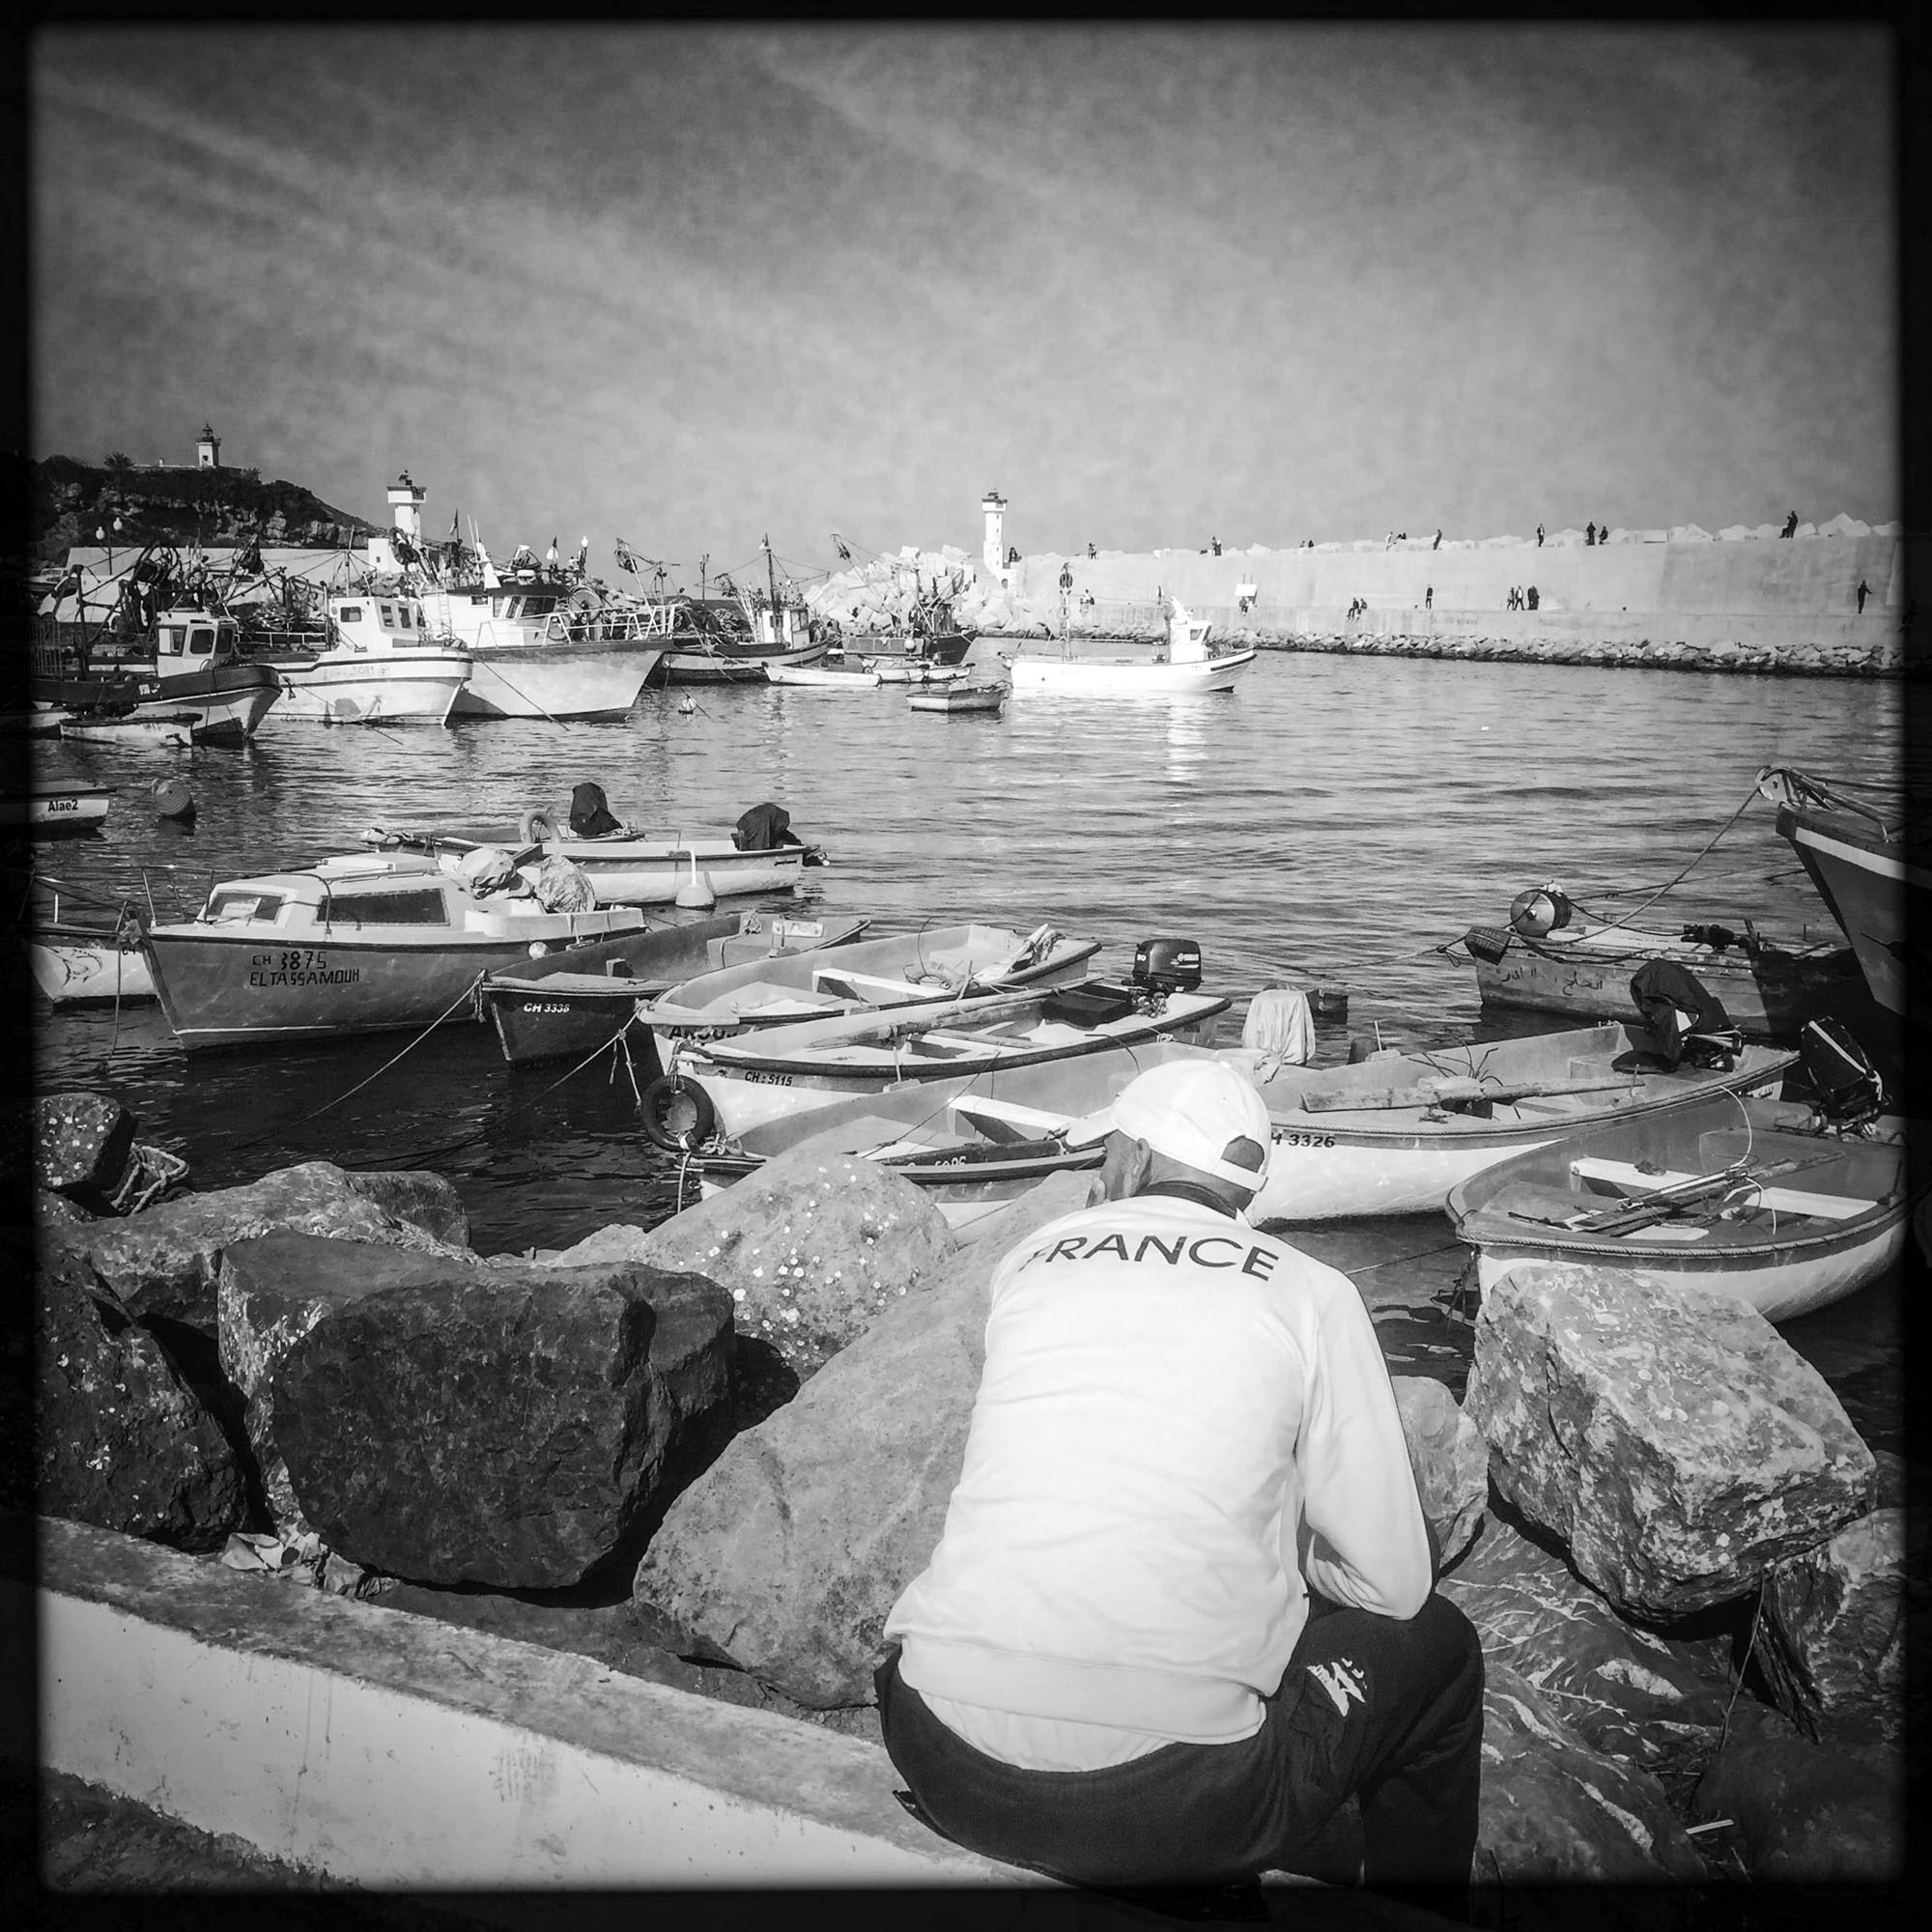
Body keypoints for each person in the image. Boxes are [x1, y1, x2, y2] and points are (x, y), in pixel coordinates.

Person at [878, 1061, 1485, 1910]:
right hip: (1167, 1808)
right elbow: (1395, 1582)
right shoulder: (1312, 1292)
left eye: (1106, 1158)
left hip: (935, 1747)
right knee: (1440, 1648)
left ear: (1129, 1161)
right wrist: (1293, 1573)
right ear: (1246, 1190)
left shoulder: (1025, 1260)